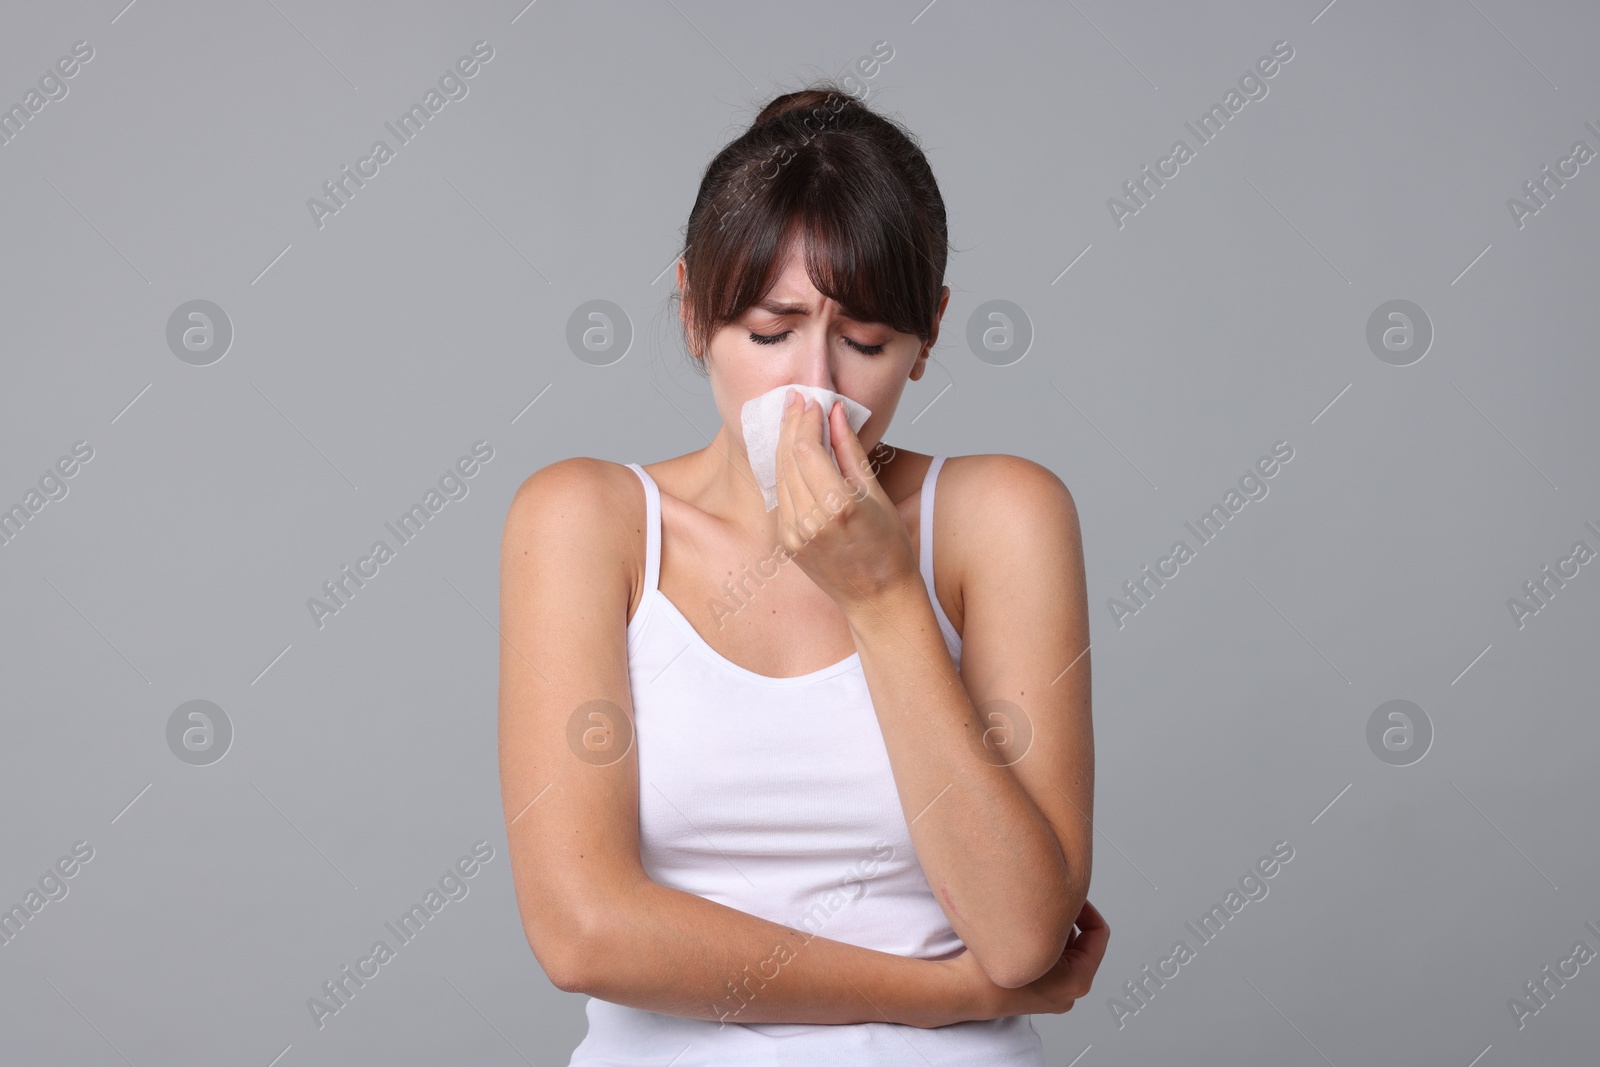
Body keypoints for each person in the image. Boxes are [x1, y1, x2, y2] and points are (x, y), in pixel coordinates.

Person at [498, 83, 1105, 1066]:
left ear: (930, 333)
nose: (812, 384)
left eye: (864, 341)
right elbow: (583, 931)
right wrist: (938, 993)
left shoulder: (999, 516)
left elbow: (1022, 933)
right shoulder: (585, 521)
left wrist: (880, 592)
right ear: (695, 311)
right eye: (770, 333)